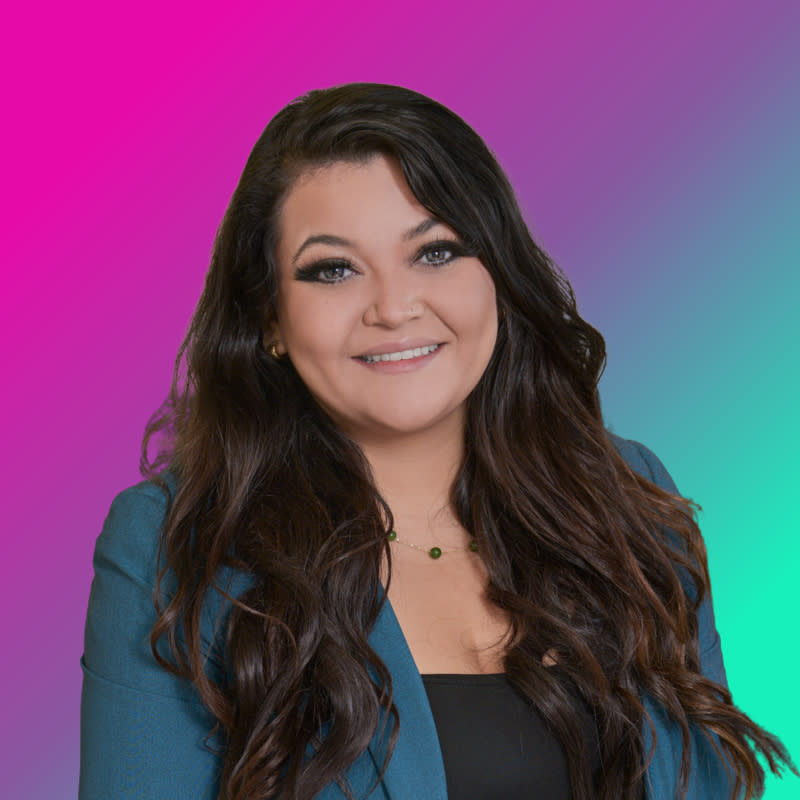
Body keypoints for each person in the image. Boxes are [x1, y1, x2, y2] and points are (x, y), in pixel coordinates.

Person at [80, 82, 794, 800]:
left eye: (435, 252)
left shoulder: (625, 496)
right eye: (334, 270)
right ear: (270, 318)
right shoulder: (176, 544)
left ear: (499, 278)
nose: (394, 308)